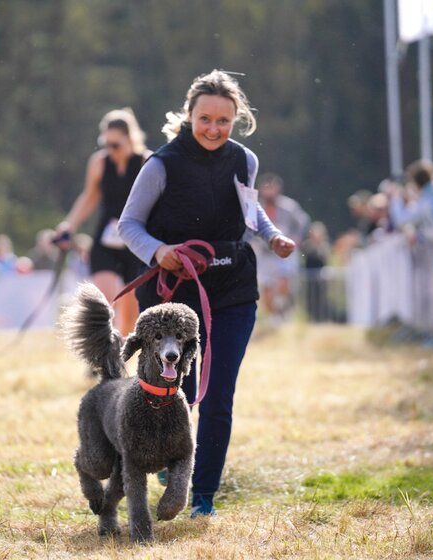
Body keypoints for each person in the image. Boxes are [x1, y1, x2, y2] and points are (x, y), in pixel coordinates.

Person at [118, 70, 296, 517]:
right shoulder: (161, 165)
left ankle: (202, 497)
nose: (214, 129)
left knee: (217, 396)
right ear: (189, 115)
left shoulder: (245, 160)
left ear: (237, 120)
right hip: (172, 295)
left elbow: (251, 211)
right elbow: (128, 225)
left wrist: (273, 236)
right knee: (174, 390)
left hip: (232, 289)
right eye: (205, 119)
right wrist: (160, 252)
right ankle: (166, 462)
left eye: (223, 121)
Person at [56, 109, 150, 336]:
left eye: (115, 145)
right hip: (106, 239)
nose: (110, 150)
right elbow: (90, 197)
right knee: (104, 302)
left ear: (130, 139)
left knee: (131, 310)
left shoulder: (146, 161)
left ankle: (122, 351)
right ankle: (102, 349)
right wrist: (69, 224)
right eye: (106, 144)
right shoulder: (99, 162)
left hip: (136, 240)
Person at [251, 173, 310, 321]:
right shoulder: (257, 207)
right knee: (266, 289)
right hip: (265, 253)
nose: (269, 192)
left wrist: (297, 238)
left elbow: (303, 222)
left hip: (285, 251)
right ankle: (275, 318)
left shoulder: (289, 207)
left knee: (284, 282)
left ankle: (284, 306)